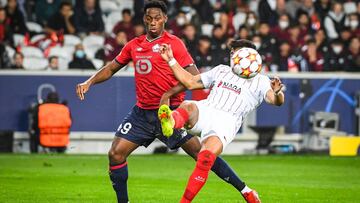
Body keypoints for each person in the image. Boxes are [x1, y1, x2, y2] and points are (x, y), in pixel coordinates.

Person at [76, 1, 253, 203]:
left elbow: (194, 77)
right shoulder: (134, 45)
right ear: (144, 19)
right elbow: (111, 68)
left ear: (165, 19)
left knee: (203, 155)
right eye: (149, 18)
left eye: (157, 18)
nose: (153, 22)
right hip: (142, 114)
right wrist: (89, 81)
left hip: (171, 114)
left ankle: (245, 190)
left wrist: (168, 94)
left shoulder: (174, 44)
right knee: (116, 154)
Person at [157, 39, 285, 202]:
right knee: (188, 106)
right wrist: (170, 59)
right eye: (231, 53)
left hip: (226, 123)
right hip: (207, 109)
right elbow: (190, 82)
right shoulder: (221, 70)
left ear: (249, 56)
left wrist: (278, 93)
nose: (232, 56)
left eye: (235, 53)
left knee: (205, 158)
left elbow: (276, 101)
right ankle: (171, 121)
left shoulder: (262, 81)